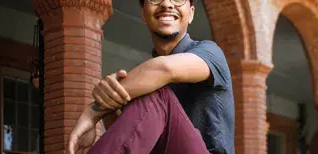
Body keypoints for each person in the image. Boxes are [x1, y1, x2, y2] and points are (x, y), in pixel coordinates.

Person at [67, 0, 235, 153]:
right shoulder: (143, 81)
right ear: (143, 14)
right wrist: (112, 105)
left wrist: (94, 111)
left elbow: (164, 69)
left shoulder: (211, 53)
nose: (167, 4)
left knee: (155, 92)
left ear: (191, 13)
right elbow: (132, 138)